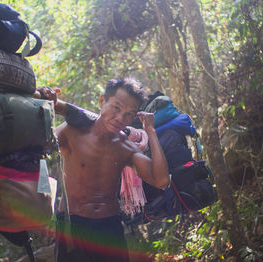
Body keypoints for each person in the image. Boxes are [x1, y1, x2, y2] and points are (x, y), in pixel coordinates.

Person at [38, 77, 170, 262]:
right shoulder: (71, 131)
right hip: (73, 226)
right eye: (116, 108)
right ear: (102, 102)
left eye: (129, 114)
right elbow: (37, 145)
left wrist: (151, 131)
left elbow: (161, 180)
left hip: (110, 228)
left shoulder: (126, 147)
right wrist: (46, 102)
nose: (120, 118)